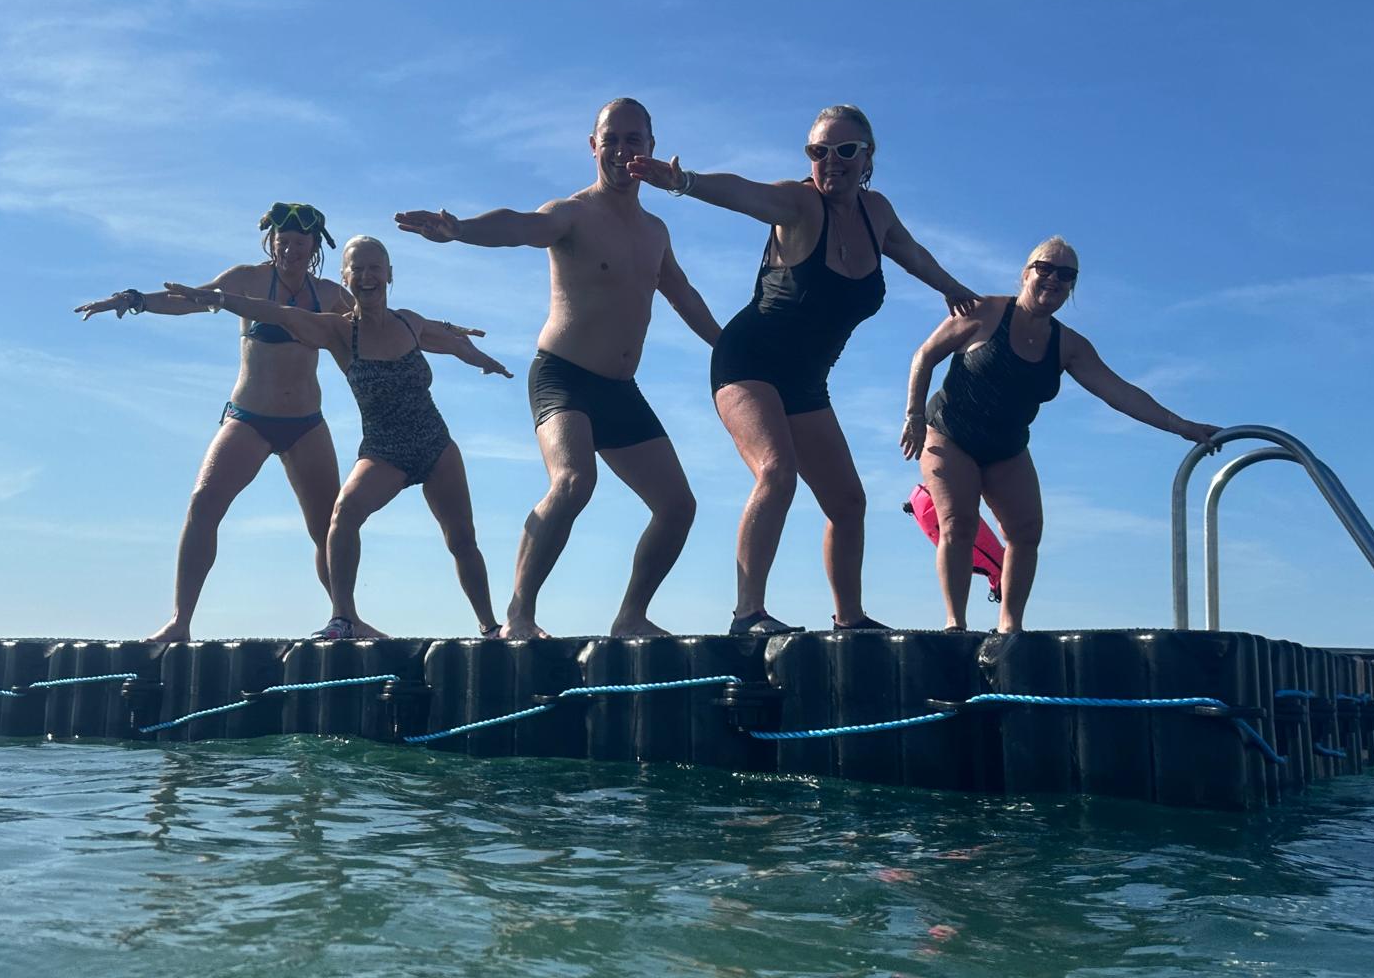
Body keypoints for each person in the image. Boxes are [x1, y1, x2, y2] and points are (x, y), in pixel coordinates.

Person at [627, 104, 978, 634]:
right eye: (818, 151)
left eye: (845, 150)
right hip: (749, 362)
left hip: (805, 381)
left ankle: (850, 619)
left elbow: (910, 251)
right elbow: (745, 194)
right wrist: (684, 182)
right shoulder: (798, 203)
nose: (831, 161)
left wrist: (951, 288)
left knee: (848, 502)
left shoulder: (876, 212)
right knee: (777, 472)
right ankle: (748, 613)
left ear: (868, 156)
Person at [395, 97, 722, 639]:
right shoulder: (573, 213)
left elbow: (682, 293)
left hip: (620, 389)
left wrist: (727, 346)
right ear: (594, 146)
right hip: (563, 377)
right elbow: (520, 226)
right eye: (611, 140)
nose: (621, 150)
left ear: (651, 147)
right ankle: (519, 615)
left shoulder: (655, 231)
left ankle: (630, 616)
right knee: (573, 481)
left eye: (633, 140)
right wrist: (461, 230)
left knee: (677, 506)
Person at [164, 235, 512, 640]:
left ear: (389, 274)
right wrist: (221, 299)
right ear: (344, 278)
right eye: (357, 269)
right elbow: (276, 313)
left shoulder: (408, 322)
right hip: (384, 451)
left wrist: (481, 359)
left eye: (374, 268)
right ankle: (344, 618)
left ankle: (490, 626)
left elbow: (449, 342)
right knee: (343, 514)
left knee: (463, 539)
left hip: (435, 444)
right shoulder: (337, 330)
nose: (367, 276)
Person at [900, 236, 1221, 633]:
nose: (1054, 279)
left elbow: (1121, 393)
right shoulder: (984, 311)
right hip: (950, 434)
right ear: (1026, 273)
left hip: (1006, 447)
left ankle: (1010, 629)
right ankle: (956, 625)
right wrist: (913, 414)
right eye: (1045, 268)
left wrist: (1183, 427)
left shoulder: (1069, 345)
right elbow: (925, 354)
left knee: (1026, 532)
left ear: (1071, 287)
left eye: (1066, 275)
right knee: (958, 523)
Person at [74, 202, 351, 642]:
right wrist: (134, 299)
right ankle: (179, 621)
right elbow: (188, 301)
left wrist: (436, 335)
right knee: (203, 503)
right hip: (250, 418)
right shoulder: (248, 279)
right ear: (271, 242)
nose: (290, 250)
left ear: (315, 247)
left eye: (300, 244)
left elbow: (379, 327)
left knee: (328, 528)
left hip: (306, 424)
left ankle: (345, 619)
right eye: (283, 242)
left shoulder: (332, 295)